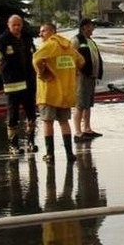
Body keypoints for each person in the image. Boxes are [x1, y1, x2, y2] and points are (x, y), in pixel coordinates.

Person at [32, 22, 85, 163]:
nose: (40, 34)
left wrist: (42, 72)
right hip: (65, 93)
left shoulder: (48, 45)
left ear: (51, 32)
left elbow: (36, 59)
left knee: (47, 122)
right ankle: (69, 154)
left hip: (48, 93)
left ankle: (50, 155)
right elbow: (81, 61)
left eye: (43, 31)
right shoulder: (69, 47)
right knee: (64, 122)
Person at [0, 14, 39, 154]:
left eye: (19, 25)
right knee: (13, 116)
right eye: (14, 25)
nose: (17, 27)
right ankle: (13, 145)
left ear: (22, 25)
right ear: (9, 25)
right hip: (13, 85)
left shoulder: (27, 39)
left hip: (28, 83)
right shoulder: (3, 39)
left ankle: (30, 142)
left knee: (31, 114)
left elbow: (35, 55)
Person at [71, 18, 104, 143]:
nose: (93, 29)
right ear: (84, 27)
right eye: (91, 27)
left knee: (88, 104)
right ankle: (78, 132)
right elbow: (72, 58)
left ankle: (87, 129)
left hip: (91, 76)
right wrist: (77, 74)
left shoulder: (90, 41)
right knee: (80, 104)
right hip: (81, 77)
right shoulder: (76, 40)